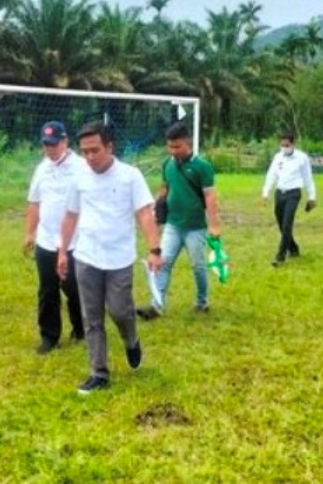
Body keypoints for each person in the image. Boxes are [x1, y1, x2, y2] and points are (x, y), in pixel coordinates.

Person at [57, 120, 162, 394]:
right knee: (91, 317)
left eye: (95, 150)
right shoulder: (79, 178)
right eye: (85, 151)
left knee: (119, 310)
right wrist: (62, 252)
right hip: (86, 256)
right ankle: (99, 372)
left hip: (119, 258)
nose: (89, 157)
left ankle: (131, 340)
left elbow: (144, 213)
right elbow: (70, 215)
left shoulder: (130, 176)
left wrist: (154, 249)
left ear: (110, 147)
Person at [136, 122, 221, 320]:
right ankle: (156, 306)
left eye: (177, 147)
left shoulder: (202, 167)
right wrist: (158, 209)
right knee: (162, 263)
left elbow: (209, 196)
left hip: (195, 227)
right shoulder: (168, 165)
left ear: (188, 143)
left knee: (198, 266)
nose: (173, 151)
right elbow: (164, 189)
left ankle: (202, 302)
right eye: (170, 146)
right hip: (173, 225)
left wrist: (214, 225)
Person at [23, 121, 85, 354]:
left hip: (75, 241)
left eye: (54, 144)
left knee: (74, 288)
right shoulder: (42, 168)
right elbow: (34, 203)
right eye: (46, 145)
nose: (50, 149)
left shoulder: (81, 167)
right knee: (47, 290)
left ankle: (81, 328)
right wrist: (29, 233)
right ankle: (49, 336)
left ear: (65, 142)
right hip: (46, 240)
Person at [261, 131, 317, 267]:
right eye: (282, 145)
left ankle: (280, 256)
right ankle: (293, 248)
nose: (284, 147)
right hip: (280, 193)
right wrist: (265, 192)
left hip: (294, 193)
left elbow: (308, 178)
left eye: (286, 145)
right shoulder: (278, 157)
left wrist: (312, 196)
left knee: (287, 224)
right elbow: (272, 175)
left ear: (292, 144)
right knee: (281, 224)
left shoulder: (302, 158)